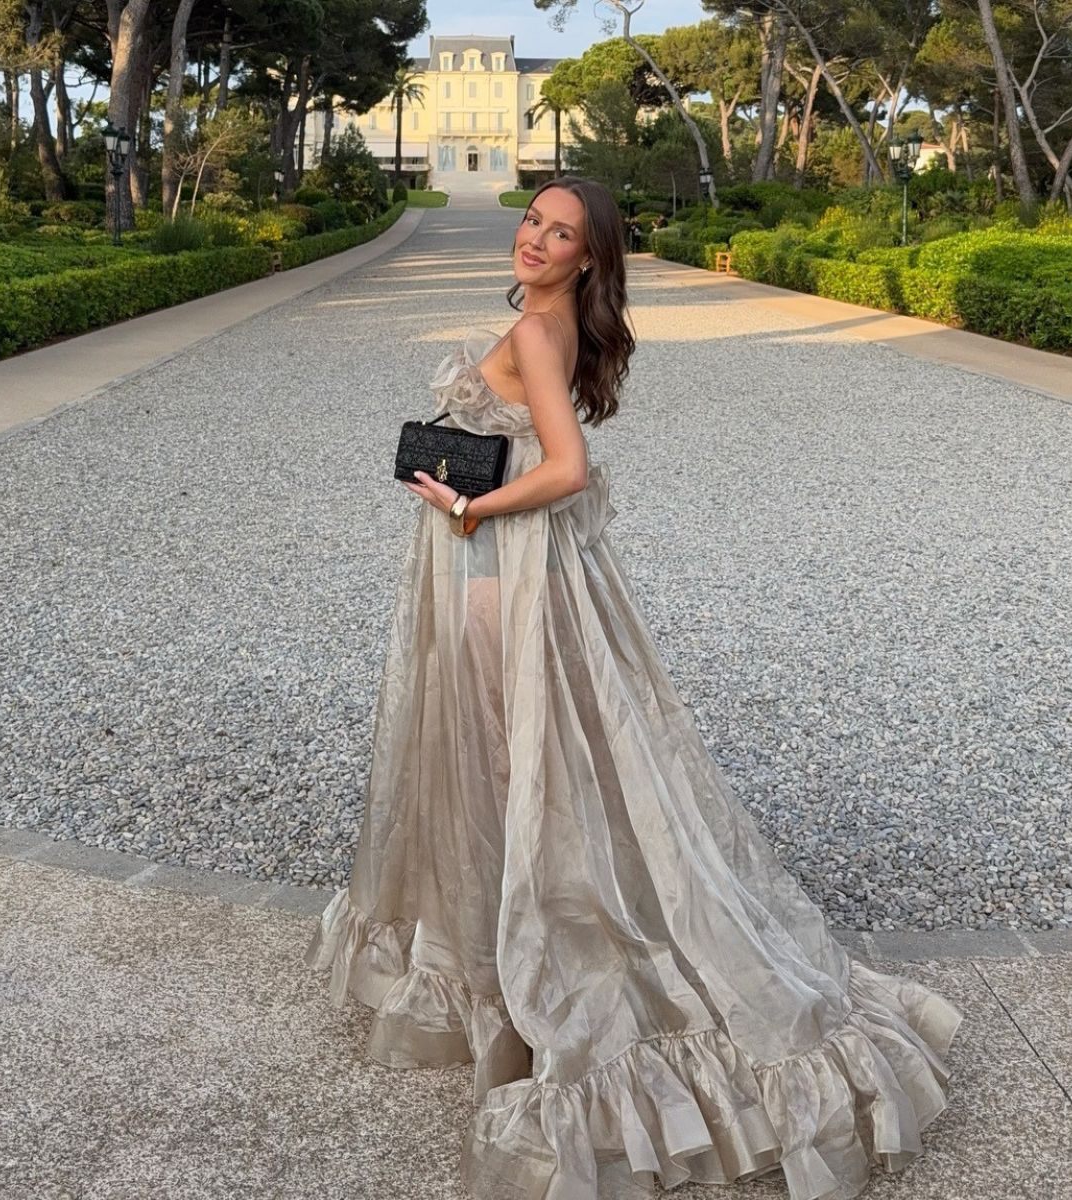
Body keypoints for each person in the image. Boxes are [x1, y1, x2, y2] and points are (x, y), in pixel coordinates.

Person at [305, 176, 963, 1200]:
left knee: (516, 762)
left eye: (559, 233)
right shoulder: (549, 321)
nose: (534, 239)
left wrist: (471, 511)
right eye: (533, 220)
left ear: (587, 257)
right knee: (542, 763)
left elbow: (565, 467)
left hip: (503, 580)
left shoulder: (536, 330)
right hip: (526, 572)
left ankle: (546, 945)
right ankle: (528, 927)